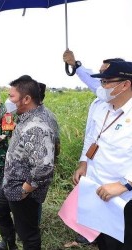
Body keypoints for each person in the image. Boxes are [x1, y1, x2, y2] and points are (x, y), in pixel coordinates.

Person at [0, 75, 57, 250]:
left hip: (23, 189)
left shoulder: (37, 126)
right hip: (11, 182)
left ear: (26, 99)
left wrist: (25, 190)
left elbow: (44, 166)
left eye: (11, 97)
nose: (7, 101)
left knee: (28, 234)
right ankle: (9, 244)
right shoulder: (24, 116)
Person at [63, 49, 125, 245]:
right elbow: (92, 139)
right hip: (98, 185)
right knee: (104, 238)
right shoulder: (101, 105)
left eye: (106, 80)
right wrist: (84, 163)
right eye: (101, 80)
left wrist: (125, 185)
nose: (101, 85)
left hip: (122, 194)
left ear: (125, 84)